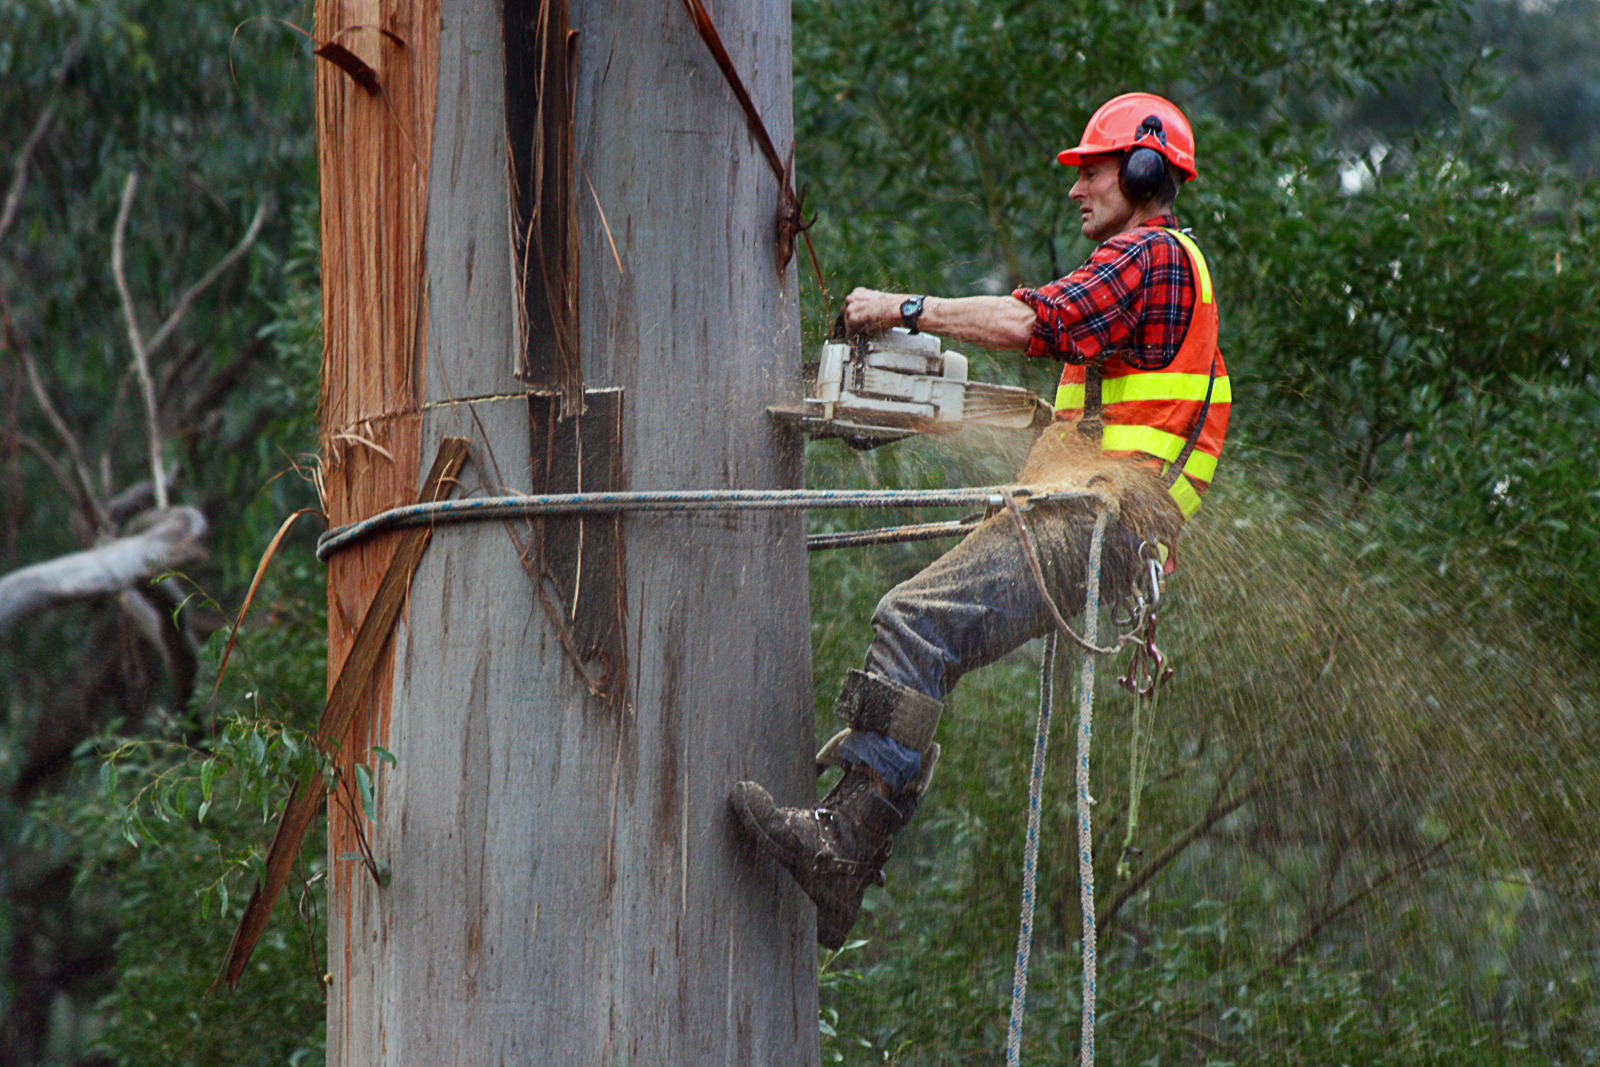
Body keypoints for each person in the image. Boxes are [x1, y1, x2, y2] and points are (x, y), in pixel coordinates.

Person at [731, 92, 1231, 948]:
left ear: (1145, 170)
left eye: (1093, 170)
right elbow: (1082, 407)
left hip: (1098, 522)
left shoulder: (1150, 257)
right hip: (1095, 521)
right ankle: (849, 849)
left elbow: (1030, 320)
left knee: (915, 623)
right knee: (929, 640)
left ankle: (843, 846)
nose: (1076, 190)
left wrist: (902, 308)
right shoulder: (1159, 280)